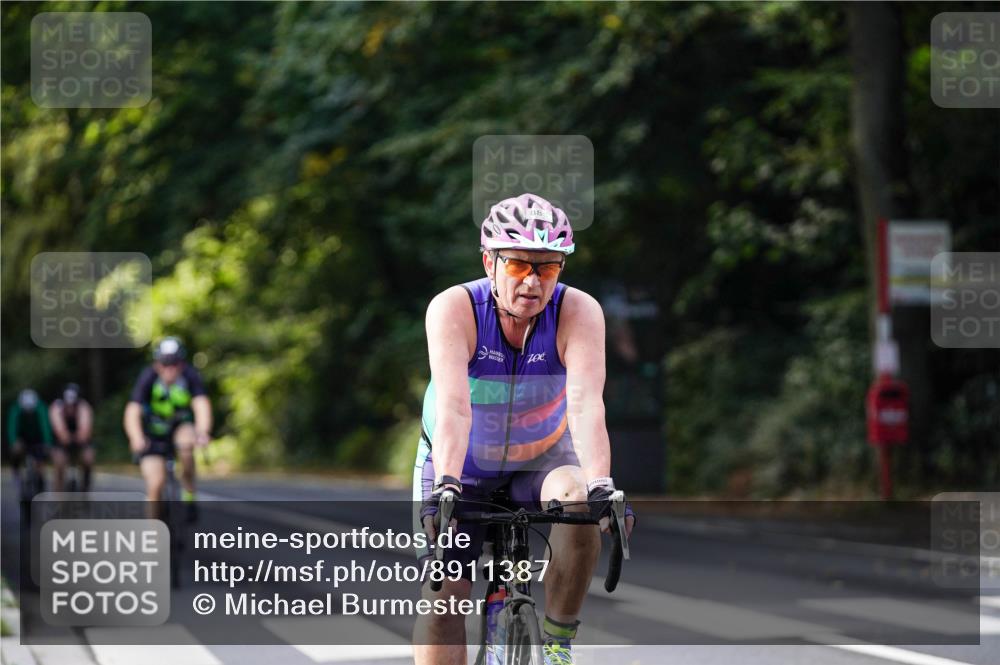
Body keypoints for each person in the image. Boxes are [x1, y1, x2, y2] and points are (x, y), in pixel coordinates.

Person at [413, 193, 635, 665]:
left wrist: (601, 485)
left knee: (578, 499)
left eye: (548, 268)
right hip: (464, 461)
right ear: (489, 262)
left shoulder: (579, 311)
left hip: (543, 456)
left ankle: (556, 642)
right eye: (518, 267)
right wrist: (447, 483)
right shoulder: (455, 308)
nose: (533, 282)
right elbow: (453, 407)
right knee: (444, 598)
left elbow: (585, 404)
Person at [123, 337, 212, 521]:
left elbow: (201, 404)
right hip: (152, 434)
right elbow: (133, 410)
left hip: (179, 426)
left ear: (181, 363)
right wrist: (136, 437)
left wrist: (202, 432)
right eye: (165, 363)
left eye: (174, 363)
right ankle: (154, 536)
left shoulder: (189, 375)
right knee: (155, 483)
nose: (170, 369)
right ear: (157, 363)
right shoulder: (148, 377)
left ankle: (189, 495)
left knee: (187, 445)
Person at [49, 383, 96, 492]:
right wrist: (64, 435)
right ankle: (59, 497)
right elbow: (58, 428)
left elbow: (85, 429)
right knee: (59, 464)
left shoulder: (84, 406)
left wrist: (80, 436)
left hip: (80, 440)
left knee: (88, 458)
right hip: (61, 441)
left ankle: (85, 488)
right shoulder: (56, 407)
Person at [7, 388, 54, 493]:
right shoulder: (15, 409)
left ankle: (41, 486)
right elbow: (12, 428)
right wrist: (13, 442)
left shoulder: (41, 408)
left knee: (40, 463)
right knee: (16, 451)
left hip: (37, 437)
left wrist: (48, 443)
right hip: (22, 437)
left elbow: (45, 427)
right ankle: (16, 473)